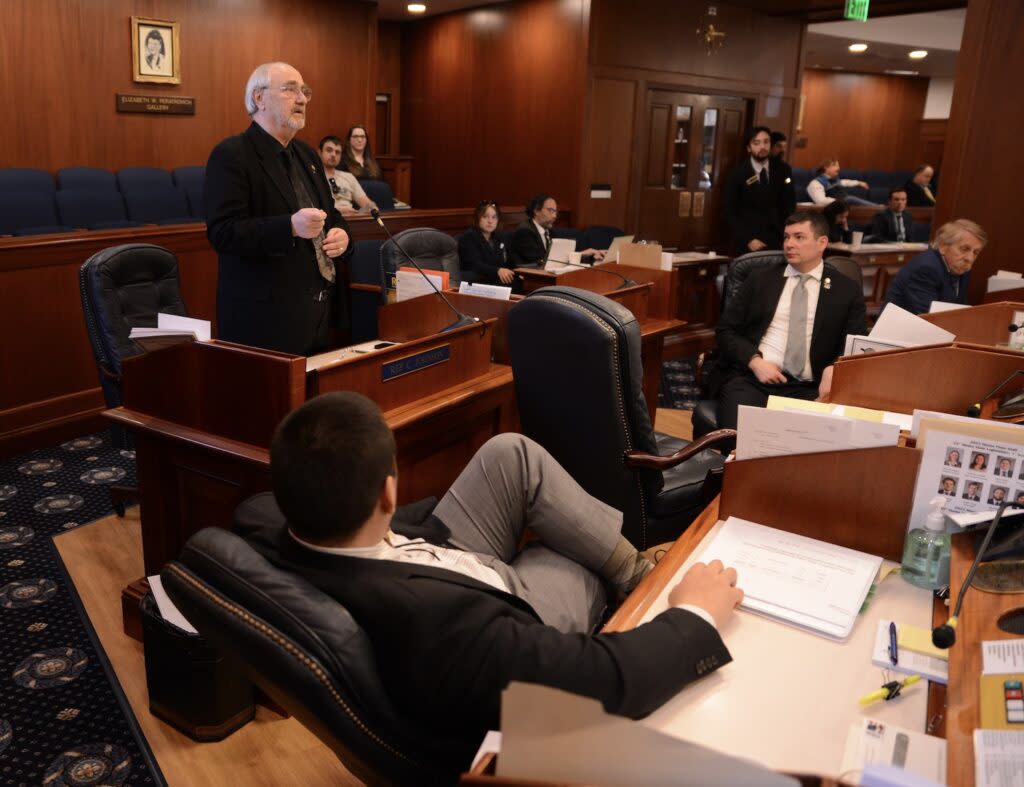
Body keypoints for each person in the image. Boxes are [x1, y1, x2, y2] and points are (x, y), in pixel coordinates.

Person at [236, 391, 742, 767]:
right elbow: (605, 681)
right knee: (572, 558)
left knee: (511, 453)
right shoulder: (452, 630)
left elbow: (259, 511)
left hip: (430, 553)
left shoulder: (262, 521)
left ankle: (631, 570)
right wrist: (693, 615)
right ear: (388, 494)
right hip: (493, 597)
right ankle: (634, 581)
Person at [205, 62, 353, 355]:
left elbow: (330, 213)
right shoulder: (232, 154)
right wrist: (289, 227)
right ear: (259, 98)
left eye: (304, 91)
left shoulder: (307, 154)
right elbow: (223, 232)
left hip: (317, 313)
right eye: (290, 90)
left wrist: (342, 235)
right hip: (264, 321)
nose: (302, 99)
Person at [713, 211, 867, 431]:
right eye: (786, 237)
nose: (789, 244)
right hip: (754, 380)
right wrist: (755, 361)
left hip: (810, 387)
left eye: (799, 237)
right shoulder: (760, 279)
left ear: (822, 242)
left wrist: (835, 368)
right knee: (736, 437)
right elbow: (725, 330)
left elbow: (855, 343)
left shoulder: (846, 290)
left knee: (811, 445)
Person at [884, 219, 988, 314]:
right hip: (901, 331)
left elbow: (961, 309)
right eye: (964, 249)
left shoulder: (961, 269)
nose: (970, 258)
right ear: (943, 246)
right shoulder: (926, 268)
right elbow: (928, 316)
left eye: (976, 252)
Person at [723, 126, 796, 254]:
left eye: (766, 142)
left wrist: (787, 234)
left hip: (778, 238)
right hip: (750, 241)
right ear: (748, 147)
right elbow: (730, 212)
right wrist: (748, 239)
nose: (762, 147)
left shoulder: (783, 169)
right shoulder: (738, 174)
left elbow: (790, 202)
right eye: (756, 143)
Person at [509, 194, 604, 268]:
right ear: (536, 210)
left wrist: (587, 255)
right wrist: (579, 254)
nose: (554, 216)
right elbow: (542, 260)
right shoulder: (525, 231)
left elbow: (559, 257)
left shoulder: (549, 231)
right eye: (550, 211)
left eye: (555, 211)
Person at [458, 200, 517, 288]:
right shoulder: (469, 237)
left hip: (495, 280)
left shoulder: (499, 237)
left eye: (494, 217)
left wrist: (518, 272)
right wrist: (498, 270)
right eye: (485, 216)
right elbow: (475, 265)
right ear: (478, 218)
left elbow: (509, 261)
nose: (490, 221)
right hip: (477, 282)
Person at [318, 135, 376, 217]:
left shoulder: (348, 177)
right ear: (320, 153)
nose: (333, 155)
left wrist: (359, 213)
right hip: (326, 221)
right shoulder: (313, 176)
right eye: (329, 150)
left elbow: (368, 204)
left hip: (351, 221)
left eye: (337, 152)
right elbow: (311, 207)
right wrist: (338, 211)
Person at [806, 159, 874, 207]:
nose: (839, 168)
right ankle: (877, 207)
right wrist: (840, 201)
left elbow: (846, 182)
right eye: (835, 165)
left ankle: (876, 207)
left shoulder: (835, 180)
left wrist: (859, 183)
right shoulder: (815, 183)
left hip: (841, 207)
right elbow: (821, 201)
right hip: (831, 209)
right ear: (826, 168)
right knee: (849, 199)